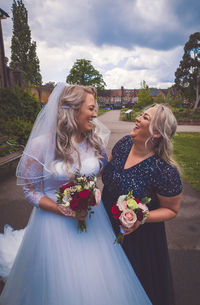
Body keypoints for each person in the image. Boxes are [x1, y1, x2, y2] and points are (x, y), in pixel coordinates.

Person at [0, 83, 152, 305]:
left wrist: (94, 192)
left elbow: (99, 168)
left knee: (97, 279)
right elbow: (30, 191)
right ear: (73, 110)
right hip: (52, 225)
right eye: (91, 108)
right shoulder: (40, 145)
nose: (95, 114)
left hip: (93, 222)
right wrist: (63, 208)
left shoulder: (95, 141)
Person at [102, 103, 183, 305]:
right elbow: (105, 172)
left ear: (157, 132)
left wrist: (140, 216)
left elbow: (171, 210)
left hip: (136, 237)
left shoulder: (164, 170)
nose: (138, 119)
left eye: (145, 118)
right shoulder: (123, 144)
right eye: (141, 115)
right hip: (102, 224)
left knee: (127, 286)